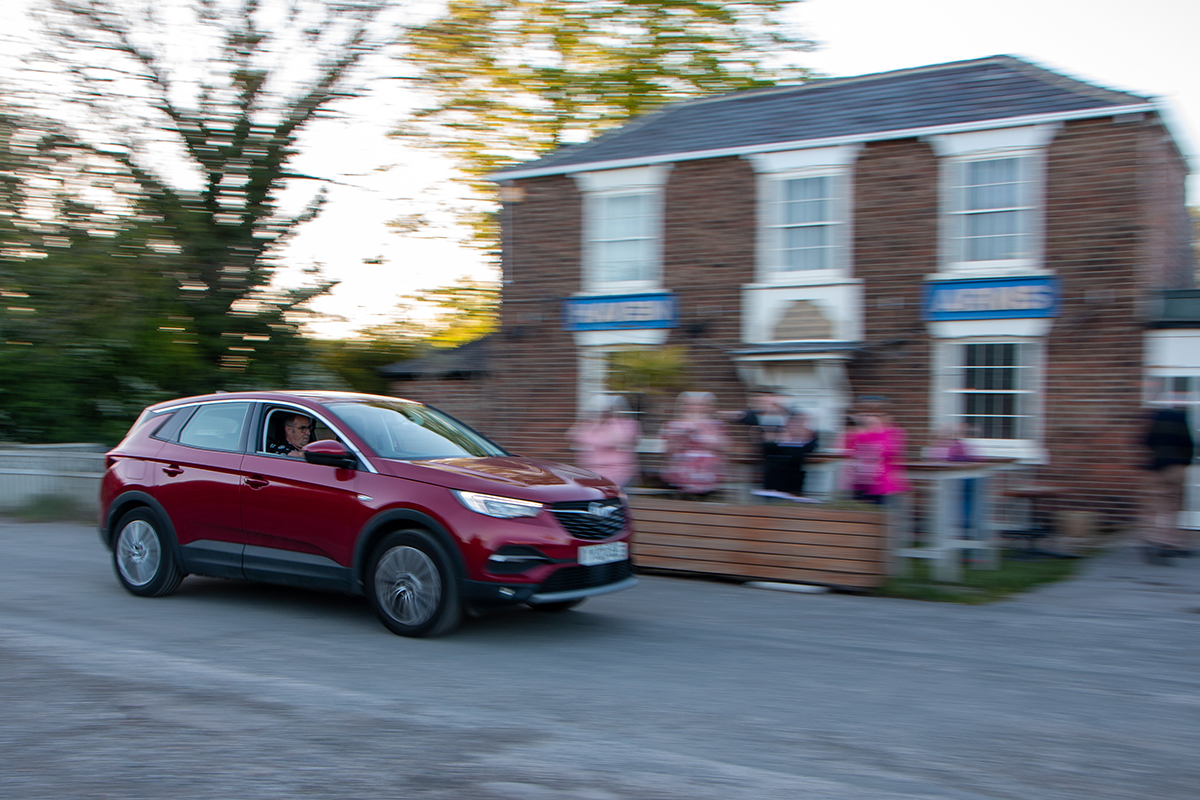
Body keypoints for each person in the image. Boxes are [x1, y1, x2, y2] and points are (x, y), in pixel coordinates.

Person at [728, 391, 819, 499]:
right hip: (772, 484)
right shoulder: (773, 432)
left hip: (793, 485)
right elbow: (765, 445)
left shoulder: (804, 441)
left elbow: (810, 446)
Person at [1140, 400, 1195, 564]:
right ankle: (1170, 543)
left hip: (1155, 468)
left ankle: (1151, 539)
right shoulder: (1180, 419)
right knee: (1172, 509)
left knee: (1155, 507)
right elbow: (1189, 444)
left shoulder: (1154, 422)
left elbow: (1145, 442)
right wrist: (1186, 463)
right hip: (1176, 469)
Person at [660, 391, 728, 498]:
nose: (695, 407)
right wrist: (681, 438)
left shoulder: (716, 425)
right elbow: (668, 449)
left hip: (707, 474)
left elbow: (724, 445)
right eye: (689, 404)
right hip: (682, 474)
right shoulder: (673, 424)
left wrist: (701, 434)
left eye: (701, 404)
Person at [842, 401, 909, 505]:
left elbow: (889, 451)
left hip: (885, 482)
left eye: (882, 415)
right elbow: (851, 451)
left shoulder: (893, 433)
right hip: (865, 481)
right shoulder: (865, 433)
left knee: (884, 512)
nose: (879, 418)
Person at [568, 394, 642, 487]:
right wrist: (595, 424)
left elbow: (614, 440)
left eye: (607, 411)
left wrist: (603, 428)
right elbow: (574, 436)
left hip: (621, 475)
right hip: (593, 474)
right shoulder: (591, 425)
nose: (603, 414)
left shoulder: (628, 425)